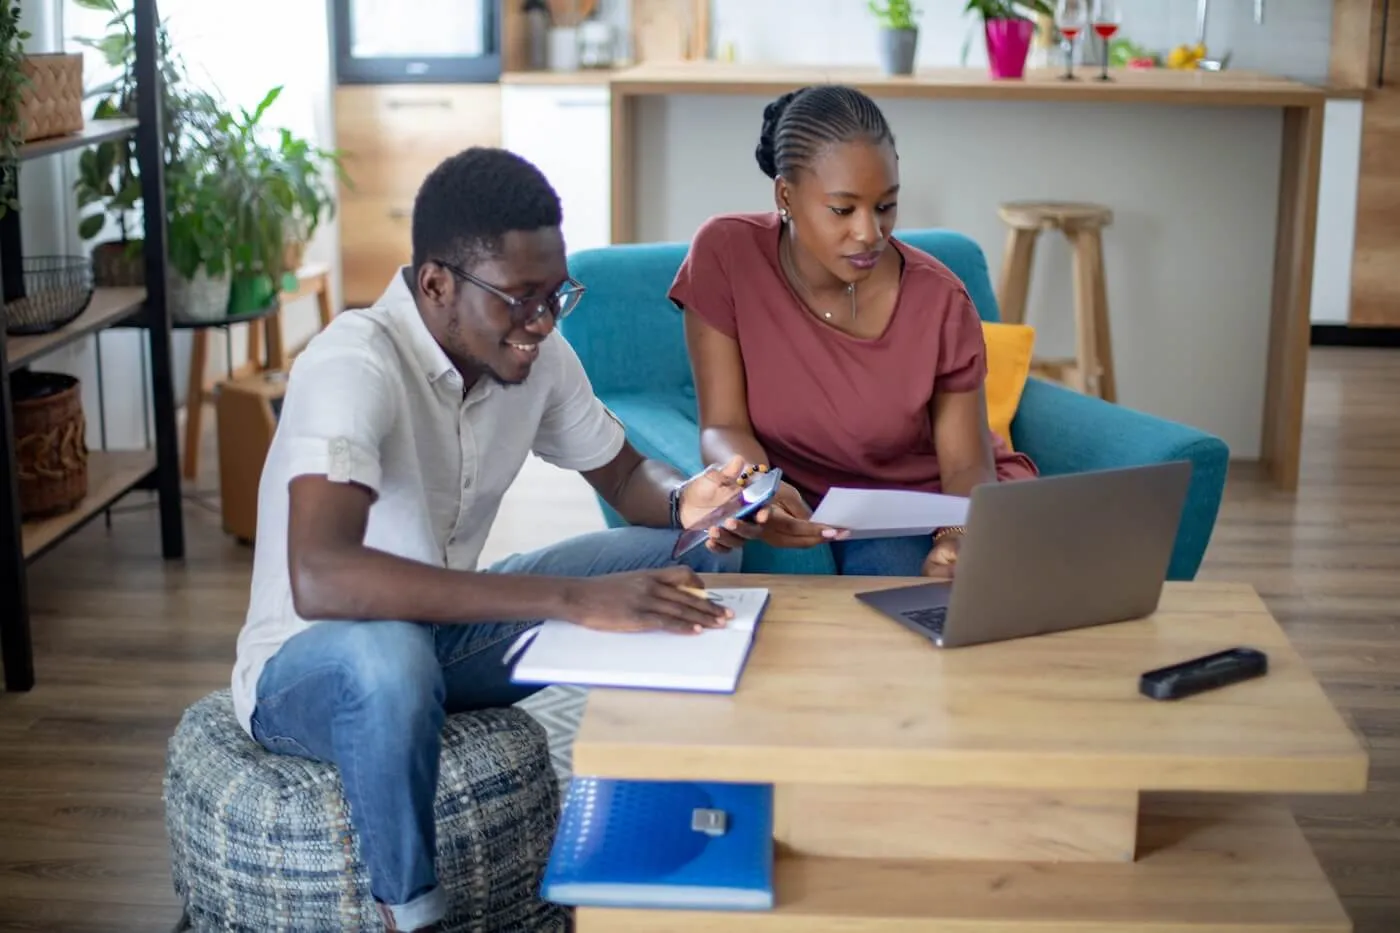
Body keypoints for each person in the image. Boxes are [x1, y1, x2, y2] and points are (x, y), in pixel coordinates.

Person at [230, 147, 765, 933]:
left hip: (445, 631)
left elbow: (622, 478)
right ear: (437, 283)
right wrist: (571, 599)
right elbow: (322, 576)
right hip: (311, 664)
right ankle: (409, 914)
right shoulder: (353, 364)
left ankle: (673, 826)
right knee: (391, 658)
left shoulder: (532, 352)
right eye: (520, 299)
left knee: (685, 552)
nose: (542, 322)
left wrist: (690, 500)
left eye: (556, 297)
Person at [670, 84, 1038, 580]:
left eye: (885, 206)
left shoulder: (939, 301)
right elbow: (722, 424)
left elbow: (966, 465)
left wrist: (957, 537)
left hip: (922, 503)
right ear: (785, 196)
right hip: (807, 493)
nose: (870, 233)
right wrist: (759, 487)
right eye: (843, 210)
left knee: (898, 600)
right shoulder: (726, 254)